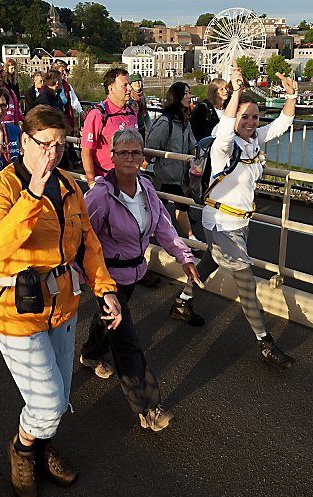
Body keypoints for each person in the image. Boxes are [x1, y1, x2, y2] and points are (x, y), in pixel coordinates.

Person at [0, 105, 121, 497]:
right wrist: (32, 196)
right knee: (48, 401)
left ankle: (41, 441)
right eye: (44, 144)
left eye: (60, 145)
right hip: (17, 311)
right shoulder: (0, 190)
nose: (52, 154)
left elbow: (87, 242)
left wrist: (104, 287)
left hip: (64, 303)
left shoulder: (70, 186)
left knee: (59, 395)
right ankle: (23, 450)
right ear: (24, 141)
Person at [169, 68, 299, 370]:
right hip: (221, 223)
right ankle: (265, 342)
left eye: (255, 117)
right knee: (247, 283)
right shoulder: (223, 144)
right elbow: (226, 125)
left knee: (210, 262)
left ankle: (183, 302)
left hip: (239, 223)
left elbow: (282, 124)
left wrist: (291, 94)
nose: (251, 122)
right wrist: (236, 91)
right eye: (245, 117)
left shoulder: (252, 142)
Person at [81, 128, 198, 431]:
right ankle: (148, 408)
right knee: (126, 341)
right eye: (123, 152)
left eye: (136, 153)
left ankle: (91, 353)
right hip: (106, 277)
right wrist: (83, 277)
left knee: (108, 323)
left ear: (143, 157)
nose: (130, 158)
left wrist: (184, 258)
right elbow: (82, 237)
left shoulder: (146, 189)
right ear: (112, 156)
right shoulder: (100, 195)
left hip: (133, 273)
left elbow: (164, 227)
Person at [145, 81, 198, 239]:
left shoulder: (184, 121)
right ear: (178, 96)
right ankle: (190, 237)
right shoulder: (165, 121)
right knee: (181, 203)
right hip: (166, 173)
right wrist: (146, 163)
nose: (190, 96)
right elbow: (152, 145)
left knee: (159, 205)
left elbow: (191, 145)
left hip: (178, 173)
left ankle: (149, 229)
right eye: (187, 93)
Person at [81, 68, 139, 186]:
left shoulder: (132, 112)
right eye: (125, 85)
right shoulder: (98, 115)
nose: (129, 89)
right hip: (106, 180)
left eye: (129, 85)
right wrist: (91, 182)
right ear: (111, 88)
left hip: (130, 178)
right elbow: (86, 151)